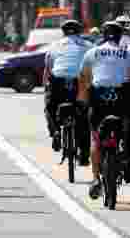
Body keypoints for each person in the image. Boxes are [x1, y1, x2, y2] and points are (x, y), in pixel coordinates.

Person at [78, 20, 130, 200]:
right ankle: (129, 163)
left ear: (103, 35)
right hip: (122, 97)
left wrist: (83, 98)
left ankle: (95, 178)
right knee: (128, 127)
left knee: (95, 138)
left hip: (99, 96)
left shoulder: (92, 52)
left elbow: (83, 78)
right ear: (120, 36)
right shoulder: (128, 54)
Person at [43, 19, 92, 165]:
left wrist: (47, 89)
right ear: (79, 32)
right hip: (80, 83)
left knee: (50, 107)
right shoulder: (89, 45)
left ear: (63, 32)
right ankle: (84, 155)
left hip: (59, 82)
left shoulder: (54, 46)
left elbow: (48, 71)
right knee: (84, 116)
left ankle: (56, 131)